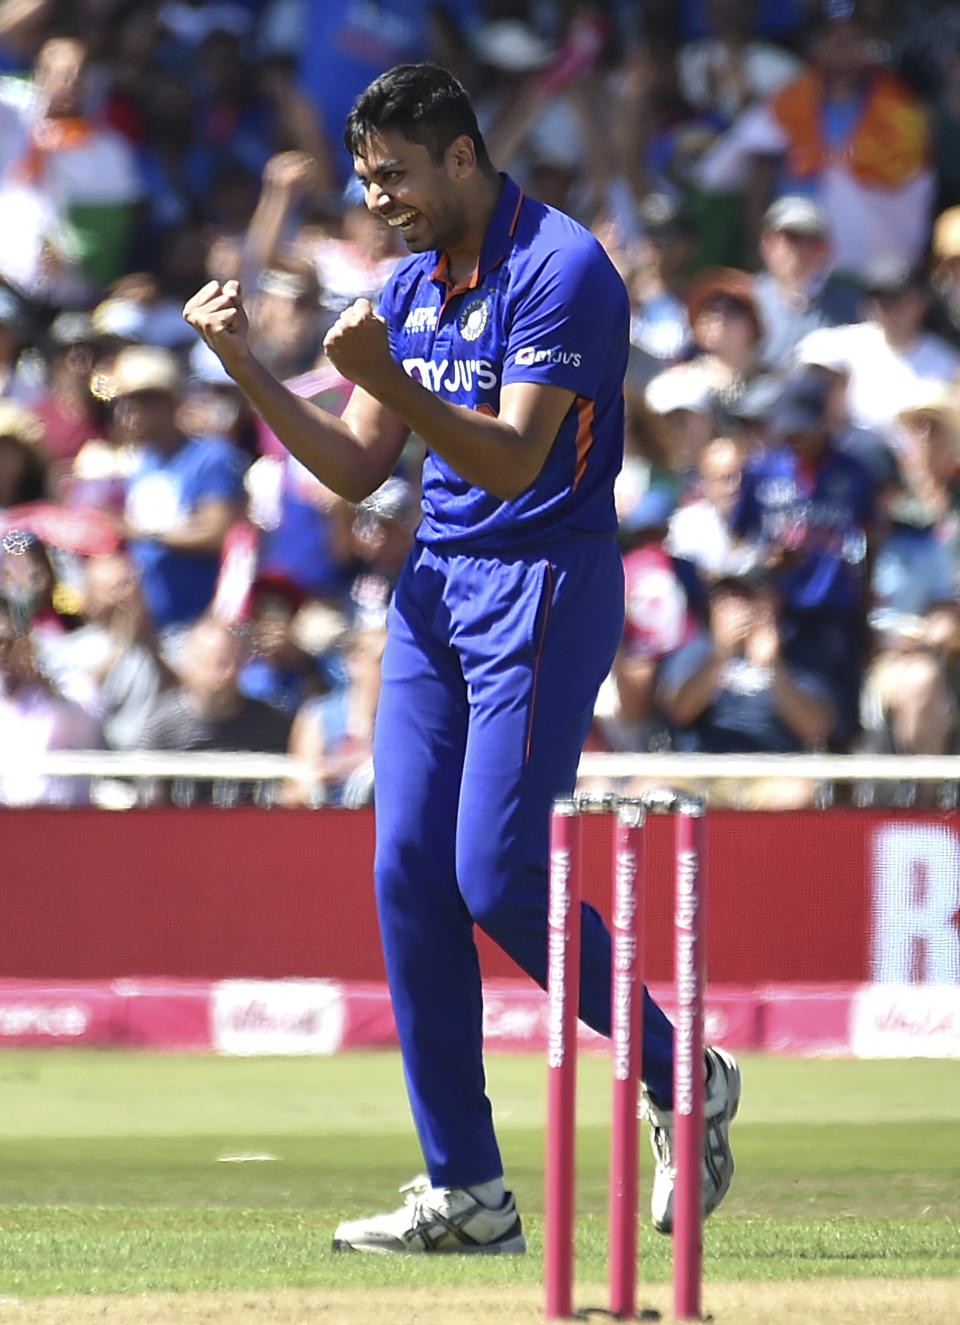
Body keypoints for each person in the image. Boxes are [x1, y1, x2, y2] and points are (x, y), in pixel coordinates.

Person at [184, 62, 740, 1256]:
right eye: (367, 177)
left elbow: (511, 464)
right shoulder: (409, 280)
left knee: (493, 876)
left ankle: (680, 1068)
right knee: (405, 872)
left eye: (396, 176)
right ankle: (468, 1191)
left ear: (463, 156)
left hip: (545, 580)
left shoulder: (565, 268)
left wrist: (384, 375)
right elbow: (352, 467)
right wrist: (249, 368)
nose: (380, 197)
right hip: (436, 591)